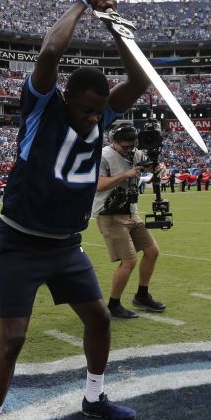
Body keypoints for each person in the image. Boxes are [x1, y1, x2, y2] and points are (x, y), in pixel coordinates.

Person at [0, 0, 150, 420]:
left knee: (99, 319)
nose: (94, 117)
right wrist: (82, 2)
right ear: (66, 96)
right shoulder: (41, 109)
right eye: (87, 108)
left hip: (66, 246)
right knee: (12, 338)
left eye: (100, 110)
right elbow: (52, 48)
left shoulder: (101, 115)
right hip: (20, 240)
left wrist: (114, 23)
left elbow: (138, 81)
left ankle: (94, 397)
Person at [91, 123, 168, 319]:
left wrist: (158, 167)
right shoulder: (103, 155)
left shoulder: (134, 153)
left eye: (132, 146)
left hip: (131, 212)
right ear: (114, 141)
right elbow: (99, 185)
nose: (129, 150)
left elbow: (149, 165)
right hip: (109, 213)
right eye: (125, 147)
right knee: (129, 260)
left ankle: (142, 295)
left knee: (152, 251)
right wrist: (125, 174)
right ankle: (113, 305)